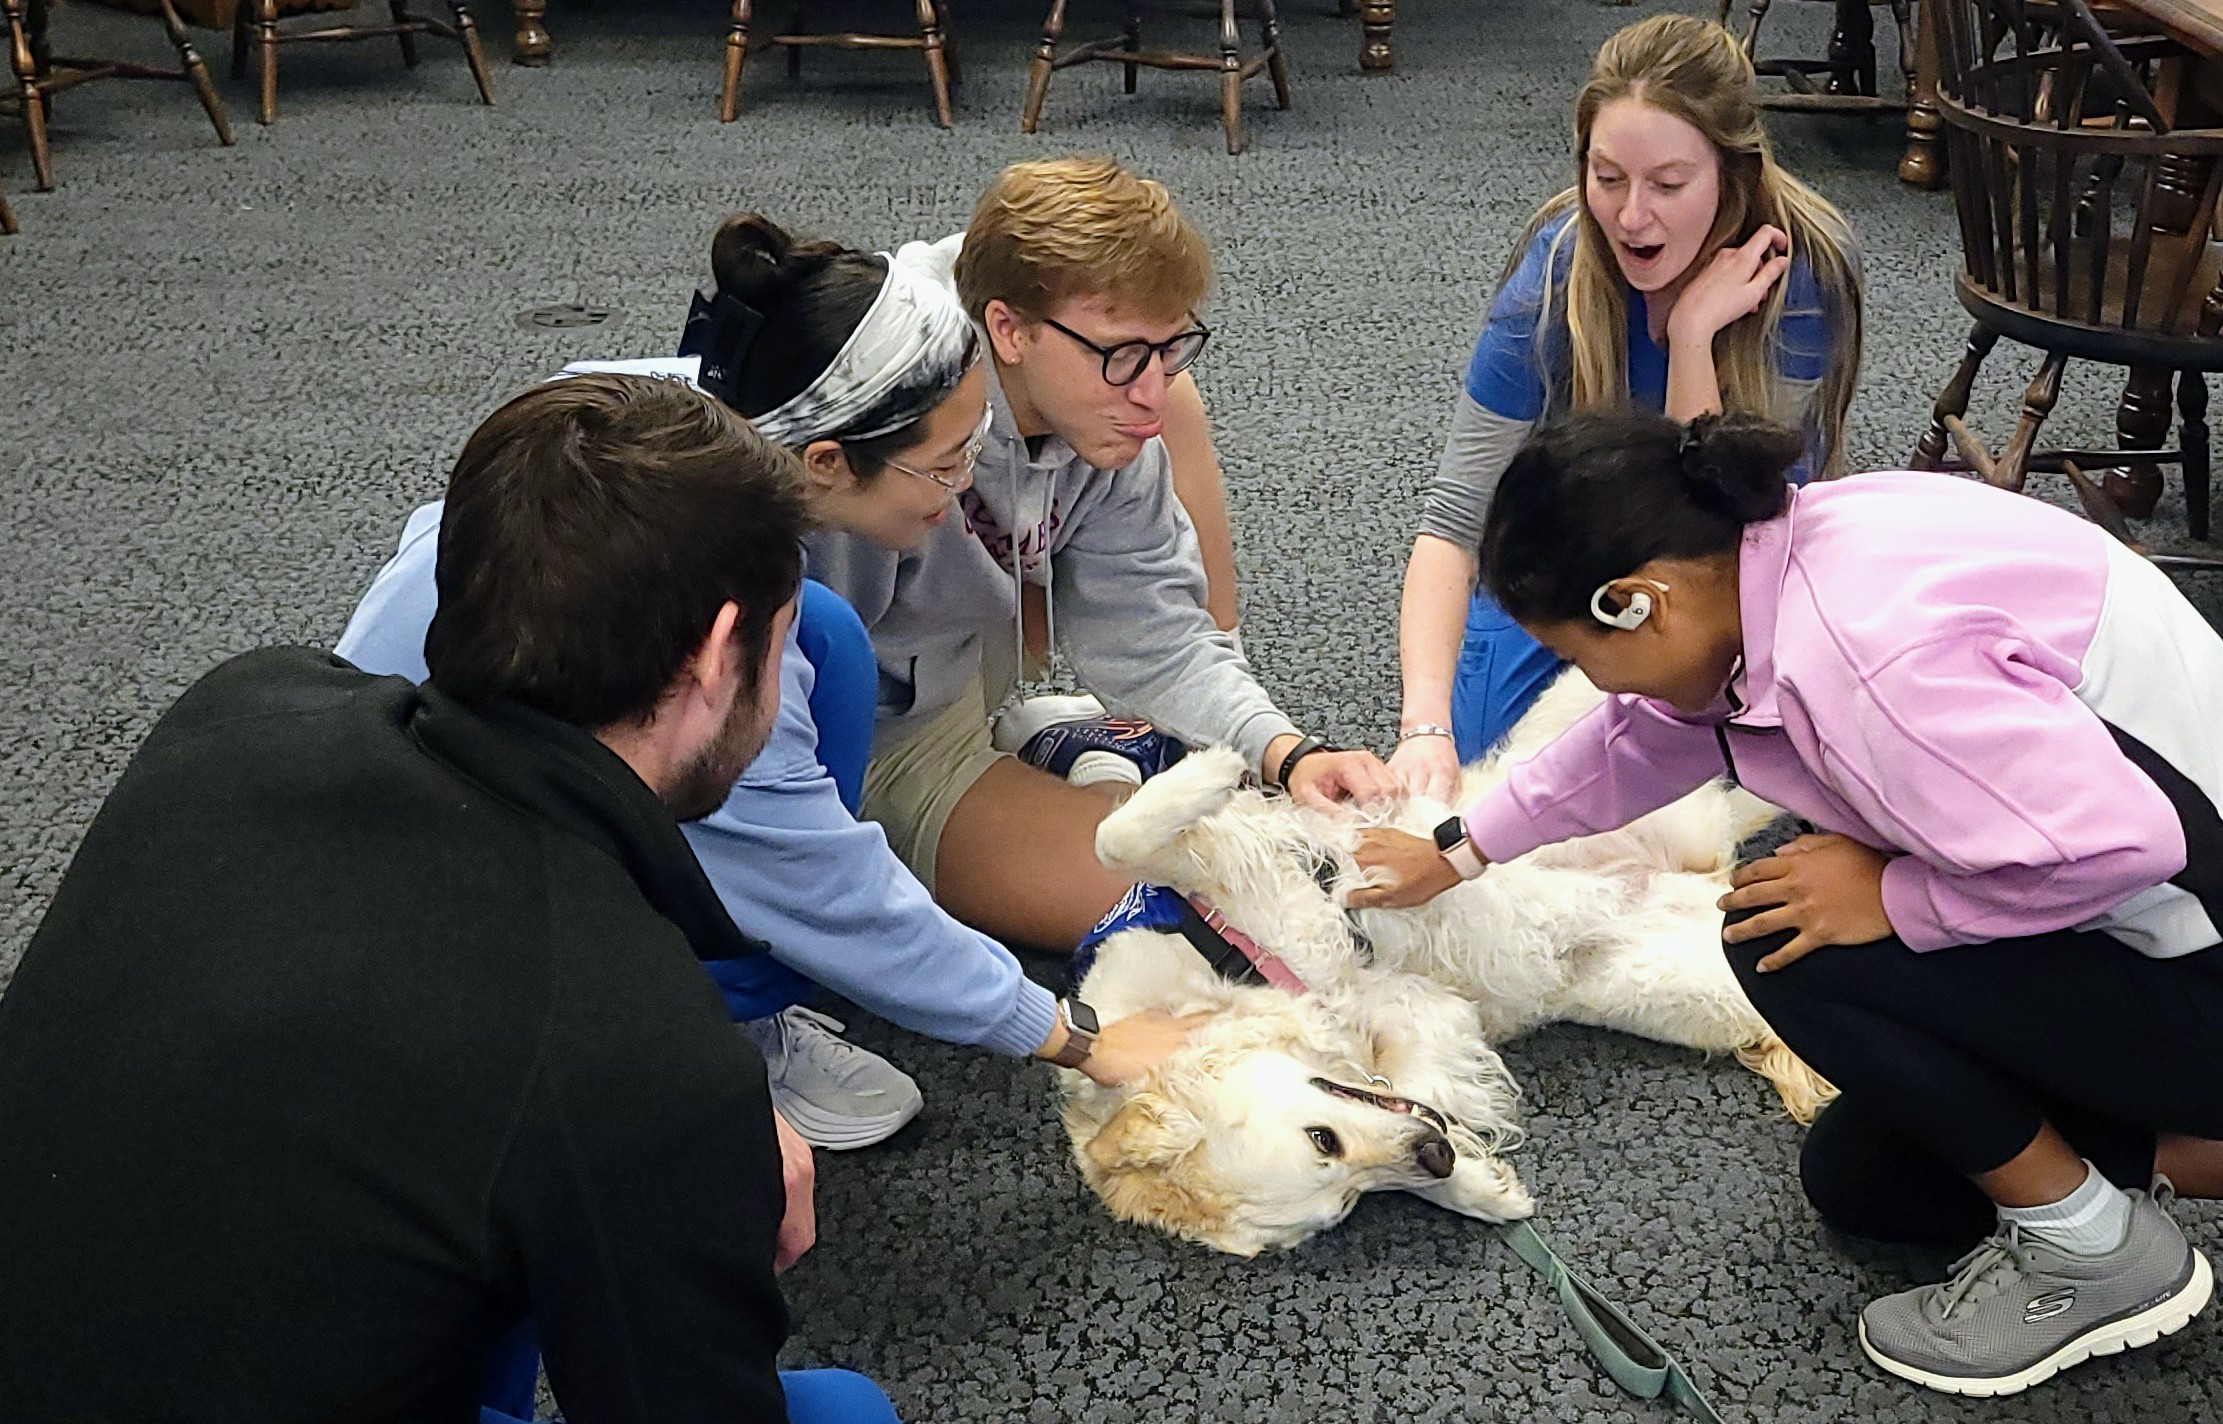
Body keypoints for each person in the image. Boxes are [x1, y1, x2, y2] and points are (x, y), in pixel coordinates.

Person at [1353, 410, 2223, 1397]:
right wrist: (1461, 848)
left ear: (1635, 597)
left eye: (1581, 650)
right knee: (1871, 1178)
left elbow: (2126, 842)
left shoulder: (1869, 657)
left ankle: (2096, 1251)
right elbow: (1644, 734)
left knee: (1784, 931)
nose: (1595, 681)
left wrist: (1896, 894)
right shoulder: (1774, 560)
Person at [0, 376, 896, 1423]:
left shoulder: (242, 704)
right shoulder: (632, 1048)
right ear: (715, 655)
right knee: (843, 1412)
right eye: (784, 638)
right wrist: (681, 1153)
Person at [340, 216, 1201, 1153]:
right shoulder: (696, 611)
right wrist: (1082, 1040)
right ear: (827, 464)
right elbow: (829, 885)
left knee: (828, 635)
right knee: (765, 847)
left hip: (445, 745)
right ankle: (711, 1013)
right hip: (440, 870)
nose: (960, 491)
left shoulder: (684, 410)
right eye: (946, 464)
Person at [799, 156, 1395, 952]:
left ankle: (1029, 731)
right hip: (865, 735)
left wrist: (1287, 753)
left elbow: (1156, 635)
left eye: (1168, 348)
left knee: (1277, 882)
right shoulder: (882, 431)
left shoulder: (1103, 416)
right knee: (1208, 915)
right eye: (1120, 356)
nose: (1148, 389)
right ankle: (1030, 747)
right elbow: (776, 695)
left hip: (957, 670)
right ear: (1007, 329)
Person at [1391, 13, 1865, 803]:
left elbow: (1718, 540)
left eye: (1669, 185)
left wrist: (1692, 339)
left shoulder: (1804, 277)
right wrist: (1422, 729)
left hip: (1736, 585)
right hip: (1572, 562)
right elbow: (1451, 524)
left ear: (1733, 176)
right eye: (1607, 179)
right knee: (1491, 770)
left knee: (1693, 790)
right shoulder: (1552, 281)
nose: (1632, 216)